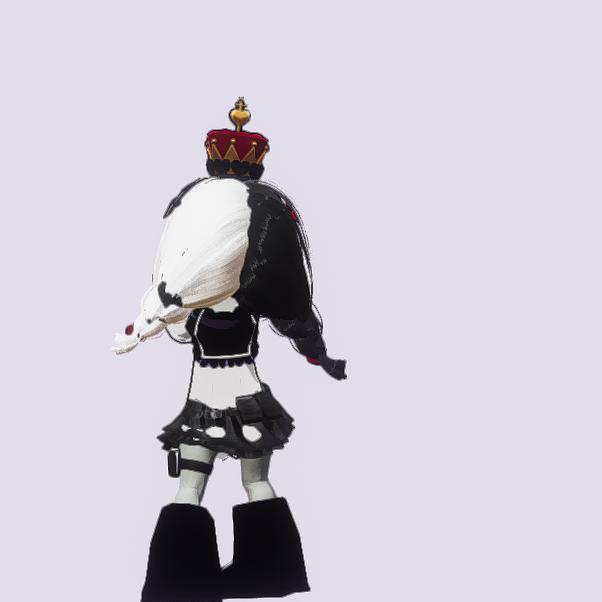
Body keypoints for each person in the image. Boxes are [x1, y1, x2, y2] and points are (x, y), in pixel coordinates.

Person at [112, 98, 346, 602]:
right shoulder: (253, 297)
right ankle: (269, 572)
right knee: (254, 484)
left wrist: (151, 322)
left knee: (190, 487)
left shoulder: (191, 306)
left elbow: (176, 326)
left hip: (205, 402)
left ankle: (180, 580)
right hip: (249, 403)